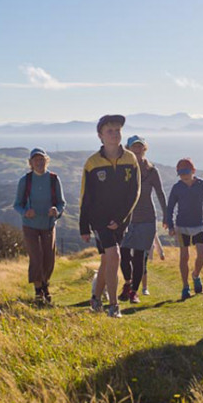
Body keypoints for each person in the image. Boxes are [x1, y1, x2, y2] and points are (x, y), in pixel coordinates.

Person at [80, 115, 141, 318]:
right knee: (114, 254)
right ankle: (113, 306)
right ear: (100, 136)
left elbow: (135, 192)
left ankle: (96, 299)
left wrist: (121, 218)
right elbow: (85, 196)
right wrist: (83, 225)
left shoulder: (130, 159)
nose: (115, 134)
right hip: (99, 219)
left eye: (117, 130)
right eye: (110, 131)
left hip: (122, 219)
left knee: (108, 260)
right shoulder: (92, 163)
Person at [13, 147, 66, 305]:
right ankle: (38, 291)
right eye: (35, 160)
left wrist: (57, 211)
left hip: (48, 225)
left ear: (46, 160)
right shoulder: (25, 181)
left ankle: (44, 284)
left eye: (41, 159)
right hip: (30, 226)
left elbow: (61, 203)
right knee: (36, 258)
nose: (39, 162)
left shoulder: (54, 179)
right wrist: (25, 212)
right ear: (30, 163)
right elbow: (17, 204)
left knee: (48, 259)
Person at [118, 135, 167, 304]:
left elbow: (160, 193)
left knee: (139, 257)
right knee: (123, 254)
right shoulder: (124, 170)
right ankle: (128, 282)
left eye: (140, 146)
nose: (137, 149)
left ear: (144, 148)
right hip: (126, 219)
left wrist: (166, 215)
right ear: (128, 149)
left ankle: (133, 292)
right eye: (134, 147)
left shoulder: (152, 171)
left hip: (147, 218)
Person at [166, 158, 203, 300]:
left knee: (202, 255)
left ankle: (196, 275)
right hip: (181, 226)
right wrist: (170, 226)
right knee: (184, 257)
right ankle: (185, 286)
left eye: (186, 172)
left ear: (193, 171)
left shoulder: (201, 184)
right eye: (181, 173)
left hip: (199, 225)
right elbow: (170, 208)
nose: (184, 176)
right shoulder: (177, 187)